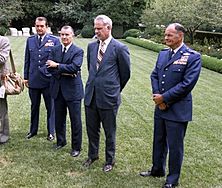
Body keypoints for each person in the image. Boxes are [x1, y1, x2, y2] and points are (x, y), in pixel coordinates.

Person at [140, 23, 202, 188]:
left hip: (177, 109)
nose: (165, 38)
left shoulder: (192, 56)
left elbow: (187, 84)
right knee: (158, 141)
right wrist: (157, 96)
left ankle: (172, 179)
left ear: (180, 36)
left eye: (169, 35)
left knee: (175, 146)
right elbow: (154, 75)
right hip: (160, 106)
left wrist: (164, 98)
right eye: (165, 35)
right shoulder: (163, 54)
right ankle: (157, 169)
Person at [83, 15, 131, 172]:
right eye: (95, 28)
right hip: (91, 96)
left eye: (99, 28)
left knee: (109, 131)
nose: (96, 31)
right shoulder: (91, 47)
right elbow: (92, 70)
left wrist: (114, 89)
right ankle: (93, 155)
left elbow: (125, 74)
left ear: (108, 28)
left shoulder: (120, 48)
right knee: (91, 129)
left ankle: (110, 160)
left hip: (109, 98)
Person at [46, 26, 84, 157]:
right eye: (62, 34)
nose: (64, 37)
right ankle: (60, 142)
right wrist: (66, 71)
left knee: (75, 120)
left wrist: (57, 66)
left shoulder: (78, 51)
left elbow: (74, 67)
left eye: (67, 34)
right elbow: (48, 68)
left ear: (72, 35)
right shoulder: (55, 49)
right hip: (57, 90)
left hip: (73, 91)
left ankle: (76, 147)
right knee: (59, 118)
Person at [24, 17, 60, 141]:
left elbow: (57, 60)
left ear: (46, 27)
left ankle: (51, 132)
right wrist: (25, 78)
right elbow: (27, 60)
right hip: (33, 79)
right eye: (37, 26)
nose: (39, 28)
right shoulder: (30, 40)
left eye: (41, 26)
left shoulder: (54, 40)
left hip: (48, 80)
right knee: (34, 106)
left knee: (51, 106)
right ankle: (33, 130)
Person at [0, 36, 10, 144]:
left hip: (0, 80)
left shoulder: (3, 41)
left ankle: (3, 136)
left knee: (1, 109)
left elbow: (2, 59)